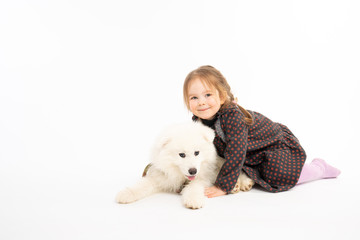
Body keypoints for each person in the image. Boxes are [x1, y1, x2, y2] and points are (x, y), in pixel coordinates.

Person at [183, 65, 341, 198]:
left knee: (279, 175)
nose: (201, 102)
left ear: (222, 97)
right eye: (194, 98)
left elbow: (236, 152)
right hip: (251, 153)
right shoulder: (198, 121)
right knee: (252, 170)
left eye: (208, 95)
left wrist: (223, 186)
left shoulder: (232, 117)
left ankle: (319, 168)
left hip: (273, 146)